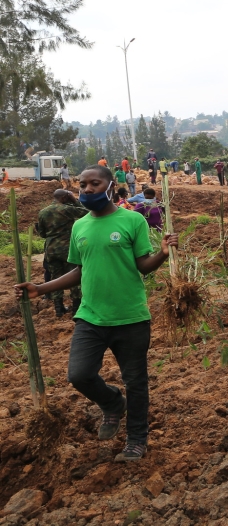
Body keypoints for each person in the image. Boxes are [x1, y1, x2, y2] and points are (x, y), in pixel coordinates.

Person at [15, 164, 178, 462]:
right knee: (79, 375)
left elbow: (143, 266)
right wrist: (41, 287)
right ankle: (114, 403)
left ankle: (136, 439)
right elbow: (79, 270)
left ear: (110, 186)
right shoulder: (80, 226)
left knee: (136, 382)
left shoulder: (132, 221)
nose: (88, 189)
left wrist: (162, 255)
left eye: (94, 183)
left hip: (130, 316)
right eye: (83, 185)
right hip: (91, 316)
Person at [34, 189, 88, 317]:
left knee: (55, 277)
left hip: (51, 249)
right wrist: (75, 201)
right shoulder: (67, 209)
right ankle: (76, 308)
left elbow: (42, 233)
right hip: (67, 249)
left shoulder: (43, 212)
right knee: (74, 277)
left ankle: (59, 309)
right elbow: (86, 213)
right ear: (65, 197)